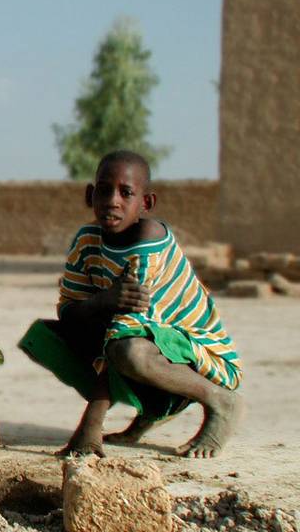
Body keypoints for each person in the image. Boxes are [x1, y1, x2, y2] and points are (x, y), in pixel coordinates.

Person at [19, 150, 243, 458]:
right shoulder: (87, 240)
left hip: (195, 351)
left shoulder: (149, 240)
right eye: (104, 190)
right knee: (45, 338)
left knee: (129, 351)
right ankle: (150, 410)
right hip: (142, 339)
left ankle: (218, 400)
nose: (113, 200)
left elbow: (126, 333)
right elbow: (69, 310)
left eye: (126, 192)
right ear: (89, 194)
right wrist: (104, 300)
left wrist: (90, 426)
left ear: (146, 203)